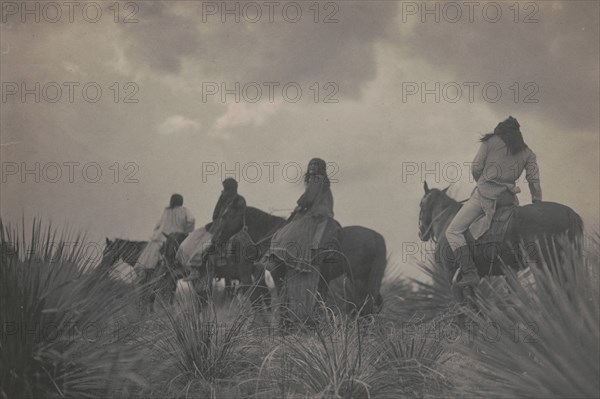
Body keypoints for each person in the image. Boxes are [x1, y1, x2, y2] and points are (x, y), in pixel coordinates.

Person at [445, 116, 542, 288]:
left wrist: (482, 182)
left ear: (500, 131)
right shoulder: (528, 152)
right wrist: (537, 201)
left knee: (453, 231)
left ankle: (469, 272)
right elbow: (533, 181)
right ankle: (512, 278)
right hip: (509, 199)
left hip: (485, 195)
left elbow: (476, 167)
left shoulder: (490, 142)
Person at [135, 194, 195, 275]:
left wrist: (157, 232)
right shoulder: (184, 210)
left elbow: (158, 224)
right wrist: (187, 230)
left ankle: (147, 269)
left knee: (152, 250)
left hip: (162, 236)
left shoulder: (167, 211)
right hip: (178, 236)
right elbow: (191, 220)